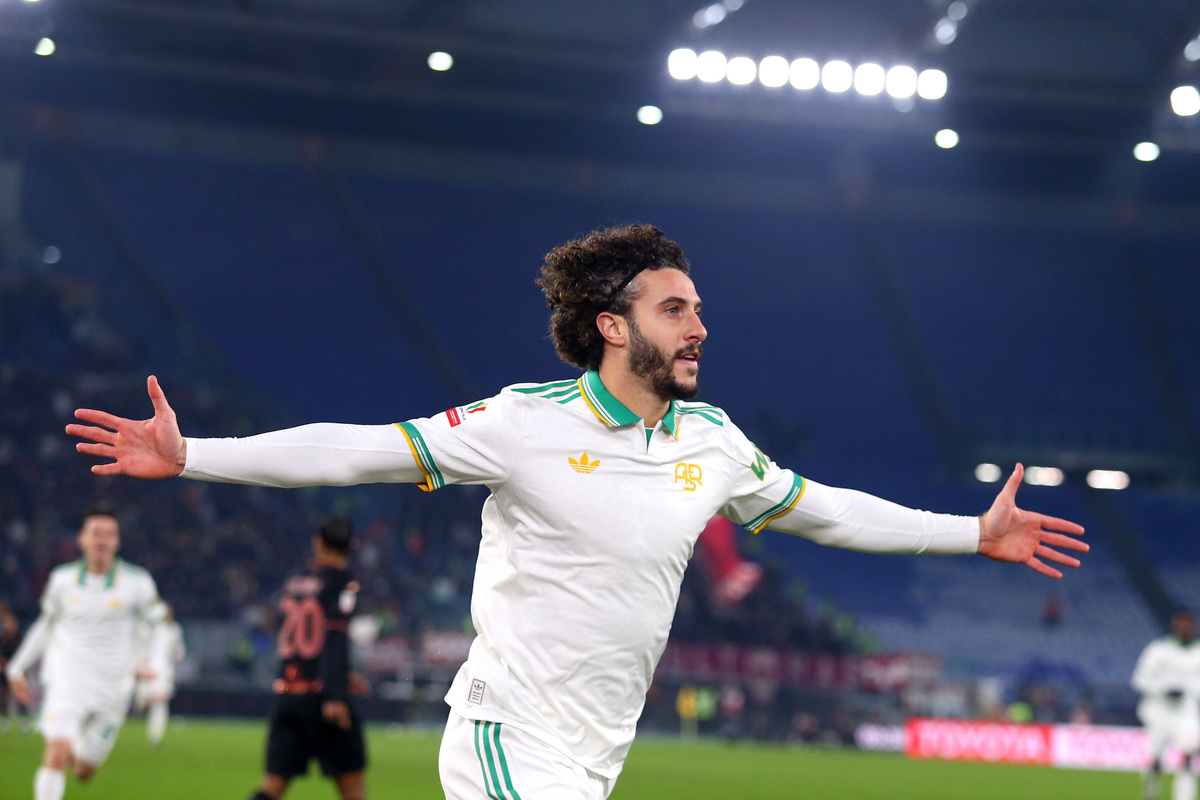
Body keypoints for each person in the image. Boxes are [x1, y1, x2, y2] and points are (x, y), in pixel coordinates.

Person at [66, 223, 1088, 800]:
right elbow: (361, 447)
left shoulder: (714, 439)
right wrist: (196, 452)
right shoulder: (521, 422)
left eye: (696, 306)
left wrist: (973, 531)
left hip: (598, 750)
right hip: (507, 735)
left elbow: (823, 511)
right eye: (674, 308)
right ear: (613, 325)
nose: (699, 324)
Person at [5, 504, 166, 800]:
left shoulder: (138, 583)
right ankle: (65, 743)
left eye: (109, 534)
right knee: (55, 751)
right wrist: (16, 668)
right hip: (67, 683)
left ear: (117, 541)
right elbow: (45, 625)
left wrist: (152, 666)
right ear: (81, 539)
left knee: (83, 772)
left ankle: (77, 747)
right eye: (96, 533)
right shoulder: (61, 580)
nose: (102, 540)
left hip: (113, 691)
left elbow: (159, 626)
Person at [246, 517, 367, 800]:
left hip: (288, 694)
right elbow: (334, 637)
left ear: (319, 542)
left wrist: (344, 674)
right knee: (352, 789)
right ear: (351, 547)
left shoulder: (295, 581)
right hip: (322, 696)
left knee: (272, 787)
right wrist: (335, 693)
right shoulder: (344, 584)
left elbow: (302, 638)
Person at [1132, 609, 1200, 800]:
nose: (1185, 627)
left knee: (1188, 755)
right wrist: (1162, 690)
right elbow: (1139, 679)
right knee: (1155, 758)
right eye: (1182, 623)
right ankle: (1150, 793)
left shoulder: (1198, 652)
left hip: (1186, 711)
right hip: (1158, 710)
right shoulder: (1158, 650)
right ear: (1175, 625)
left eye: (1189, 623)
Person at [134, 602, 185, 746]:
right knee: (142, 703)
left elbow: (179, 654)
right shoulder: (147, 629)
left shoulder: (174, 630)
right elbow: (140, 649)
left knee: (160, 703)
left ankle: (155, 737)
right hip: (147, 670)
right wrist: (141, 666)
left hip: (164, 673)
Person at [1, 604, 31, 734]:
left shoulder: (20, 637)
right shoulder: (2, 639)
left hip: (19, 672)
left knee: (21, 696)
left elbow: (25, 654)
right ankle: (4, 722)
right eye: (5, 622)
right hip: (4, 671)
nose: (7, 624)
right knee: (3, 696)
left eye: (9, 621)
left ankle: (25, 723)